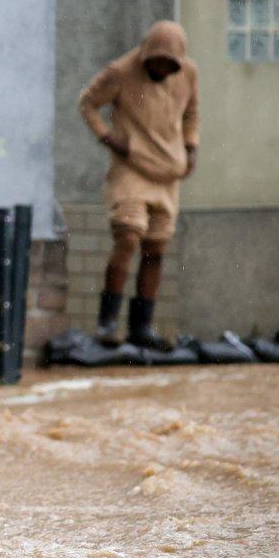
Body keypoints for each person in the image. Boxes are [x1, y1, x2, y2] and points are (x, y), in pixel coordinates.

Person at [79, 20, 198, 349]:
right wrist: (108, 138)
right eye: (156, 62)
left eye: (169, 65)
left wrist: (191, 147)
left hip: (168, 174)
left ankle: (141, 327)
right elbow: (87, 103)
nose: (162, 69)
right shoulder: (120, 72)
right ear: (146, 55)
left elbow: (192, 113)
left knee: (155, 248)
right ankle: (107, 323)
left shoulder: (189, 74)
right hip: (131, 168)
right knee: (128, 236)